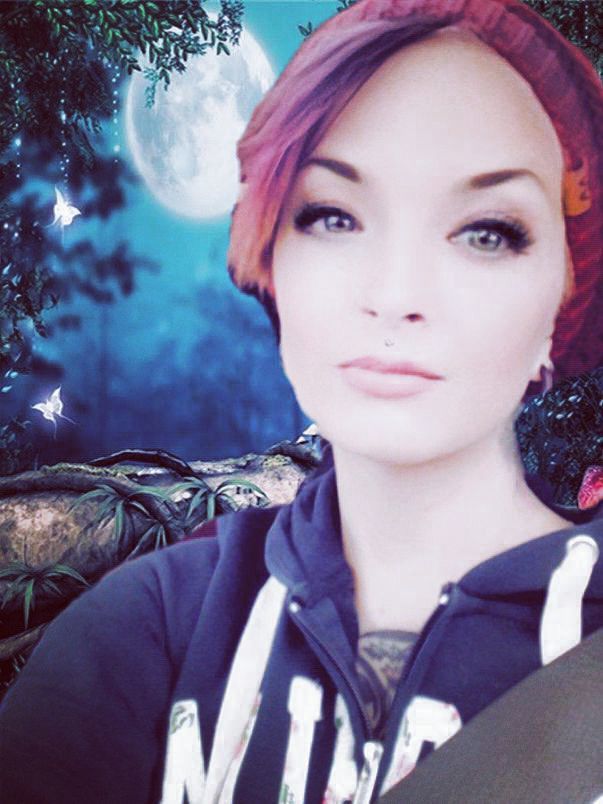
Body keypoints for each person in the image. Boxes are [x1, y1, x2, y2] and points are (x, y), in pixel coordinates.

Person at [1, 0, 602, 802]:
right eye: (333, 217)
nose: (395, 293)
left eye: (486, 231)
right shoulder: (149, 628)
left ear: (563, 297)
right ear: (272, 269)